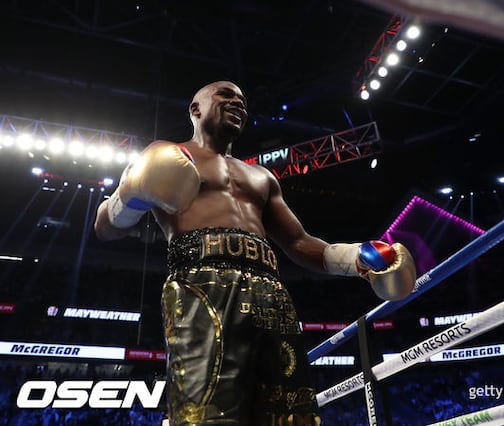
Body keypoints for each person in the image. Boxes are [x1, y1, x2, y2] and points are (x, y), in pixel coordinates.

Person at [94, 81, 416, 426]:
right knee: (207, 413)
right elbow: (105, 227)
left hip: (270, 294)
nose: (238, 103)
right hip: (202, 287)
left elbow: (298, 242)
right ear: (195, 109)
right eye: (225, 95)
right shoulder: (167, 154)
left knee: (289, 413)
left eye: (243, 100)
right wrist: (130, 196)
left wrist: (356, 259)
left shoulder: (262, 177)